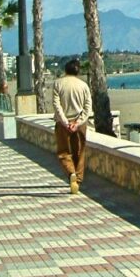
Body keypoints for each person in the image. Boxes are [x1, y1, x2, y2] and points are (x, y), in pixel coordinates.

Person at [52, 58, 93, 195]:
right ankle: (78, 180)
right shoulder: (83, 86)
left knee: (64, 152)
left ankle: (71, 174)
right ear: (78, 71)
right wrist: (78, 122)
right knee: (79, 152)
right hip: (79, 125)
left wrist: (65, 122)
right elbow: (88, 108)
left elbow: (56, 106)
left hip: (63, 124)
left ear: (65, 70)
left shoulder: (58, 84)